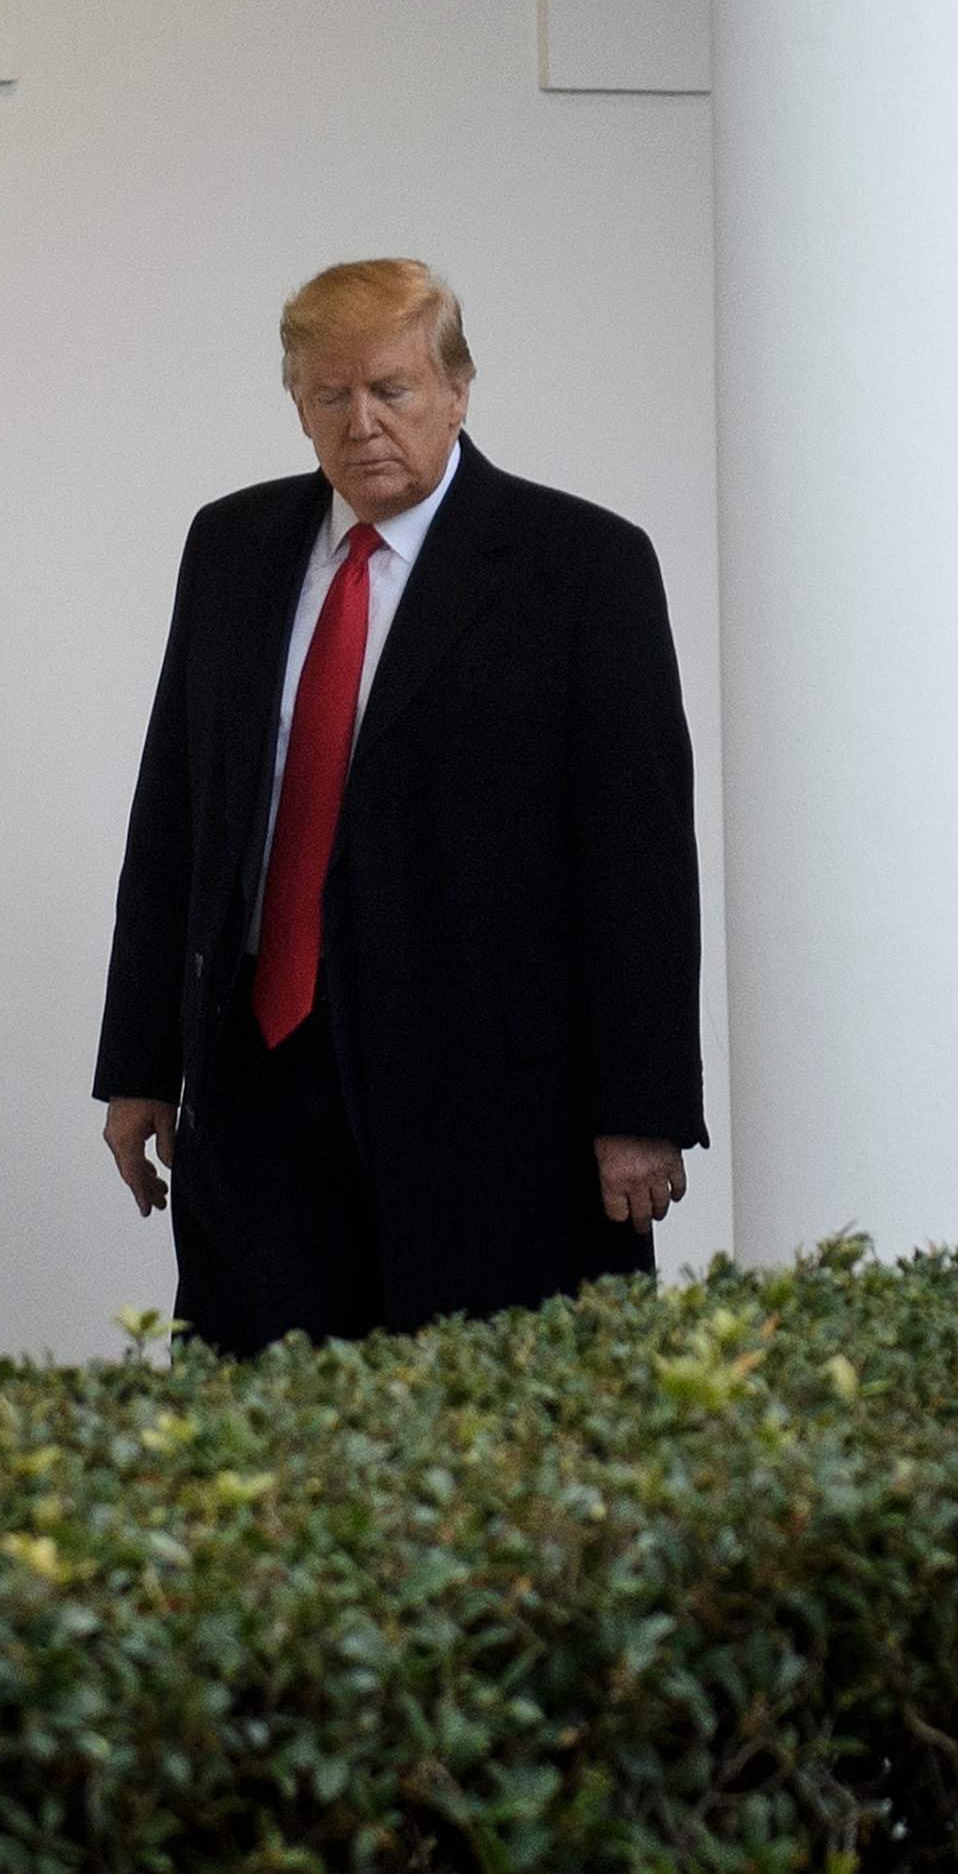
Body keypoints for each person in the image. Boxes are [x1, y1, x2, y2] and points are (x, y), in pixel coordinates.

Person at [90, 259, 705, 1351]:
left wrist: (642, 1111)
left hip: (494, 1105)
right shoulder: (230, 550)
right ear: (297, 402)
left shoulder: (581, 567)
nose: (363, 422)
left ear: (459, 390)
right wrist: (140, 1063)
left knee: (490, 1434)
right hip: (259, 1078)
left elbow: (639, 859)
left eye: (393, 389)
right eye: (332, 395)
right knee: (264, 1430)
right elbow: (174, 815)